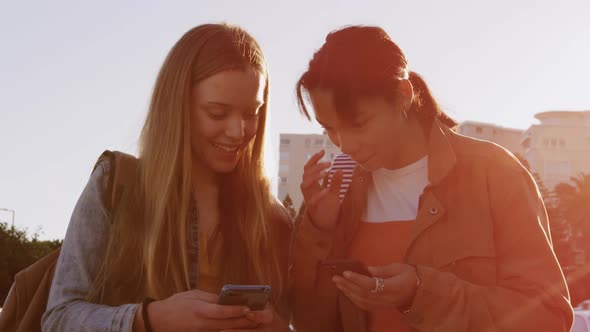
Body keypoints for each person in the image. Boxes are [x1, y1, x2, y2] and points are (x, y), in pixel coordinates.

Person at [291, 25, 573, 332]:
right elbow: (309, 323)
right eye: (329, 129)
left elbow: (548, 318)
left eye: (359, 125)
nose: (344, 145)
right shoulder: (337, 193)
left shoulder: (494, 173)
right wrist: (318, 232)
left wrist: (422, 295)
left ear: (402, 95)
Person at [42, 23, 292, 332]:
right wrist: (148, 319)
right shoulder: (116, 184)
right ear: (178, 106)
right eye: (217, 113)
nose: (238, 131)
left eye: (251, 113)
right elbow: (58, 319)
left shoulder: (272, 217)